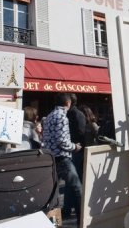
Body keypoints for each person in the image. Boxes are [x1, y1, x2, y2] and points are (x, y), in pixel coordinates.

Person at [42, 93, 82, 224]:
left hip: (51, 157)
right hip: (62, 158)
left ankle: (51, 222)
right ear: (68, 103)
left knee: (53, 193)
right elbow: (62, 141)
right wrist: (74, 147)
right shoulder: (61, 116)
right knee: (77, 189)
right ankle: (82, 221)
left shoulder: (49, 116)